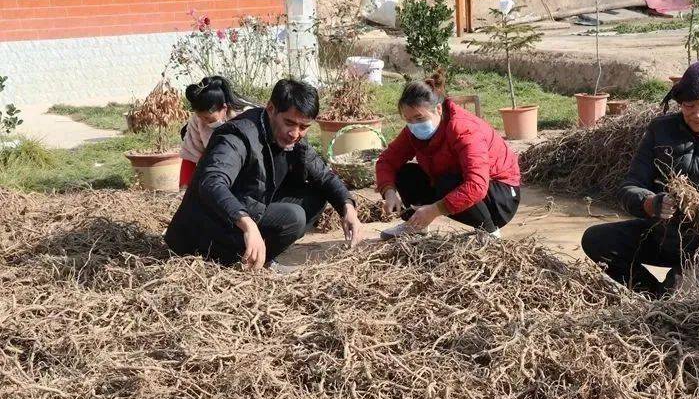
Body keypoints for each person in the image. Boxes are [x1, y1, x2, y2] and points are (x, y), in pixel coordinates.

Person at [580, 60, 699, 297]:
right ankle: (650, 297)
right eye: (689, 105)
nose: (697, 114)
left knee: (675, 299)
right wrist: (651, 203)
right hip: (665, 235)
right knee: (597, 240)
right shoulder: (660, 130)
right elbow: (628, 188)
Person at [164, 79, 362, 269]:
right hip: (205, 227)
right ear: (271, 109)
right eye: (290, 123)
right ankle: (236, 261)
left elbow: (323, 175)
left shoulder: (294, 137)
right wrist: (248, 224)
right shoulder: (238, 135)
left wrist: (347, 206)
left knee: (317, 196)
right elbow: (212, 183)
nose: (295, 133)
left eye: (304, 127)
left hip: (249, 203)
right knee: (293, 217)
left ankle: (257, 256)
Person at [375, 69, 521, 239]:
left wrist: (435, 210)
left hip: (500, 197)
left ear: (438, 109)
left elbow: (477, 185)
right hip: (457, 184)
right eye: (408, 120)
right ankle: (416, 225)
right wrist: (389, 192)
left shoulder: (464, 129)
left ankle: (489, 232)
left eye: (419, 118)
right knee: (405, 173)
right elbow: (387, 161)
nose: (414, 125)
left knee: (447, 182)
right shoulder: (412, 132)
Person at [179, 76, 252, 189]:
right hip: (216, 176)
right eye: (201, 117)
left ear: (224, 108)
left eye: (209, 119)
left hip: (249, 176)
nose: (205, 122)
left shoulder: (247, 116)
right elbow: (190, 155)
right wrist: (184, 188)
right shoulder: (197, 120)